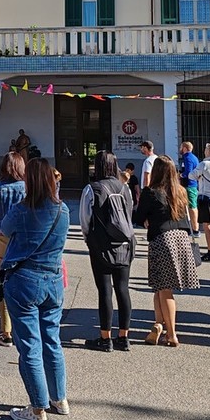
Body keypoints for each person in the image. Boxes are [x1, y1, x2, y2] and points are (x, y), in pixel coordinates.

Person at [0, 158, 71, 420]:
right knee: (52, 340)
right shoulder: (63, 210)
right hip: (53, 278)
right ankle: (59, 398)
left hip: (24, 279)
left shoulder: (21, 210)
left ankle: (38, 408)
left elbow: (3, 229)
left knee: (29, 345)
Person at [132, 155, 199, 348]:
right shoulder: (181, 191)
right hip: (181, 238)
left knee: (165, 289)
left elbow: (139, 217)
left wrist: (147, 219)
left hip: (162, 239)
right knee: (159, 286)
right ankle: (158, 324)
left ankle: (171, 334)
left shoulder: (151, 192)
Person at [79, 151, 135, 352]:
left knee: (105, 290)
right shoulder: (124, 188)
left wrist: (89, 239)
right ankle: (124, 336)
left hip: (101, 245)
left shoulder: (92, 189)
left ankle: (105, 338)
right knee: (123, 288)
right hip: (125, 244)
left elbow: (85, 220)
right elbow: (129, 213)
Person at [0, 152, 27, 347]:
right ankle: (23, 327)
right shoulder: (27, 188)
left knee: (4, 281)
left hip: (3, 238)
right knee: (24, 281)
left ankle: (6, 331)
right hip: (24, 239)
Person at [178, 141, 200, 234]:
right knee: (190, 206)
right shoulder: (193, 157)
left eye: (181, 147)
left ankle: (195, 229)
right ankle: (192, 227)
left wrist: (180, 175)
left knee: (192, 206)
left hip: (189, 185)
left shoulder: (188, 158)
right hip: (191, 184)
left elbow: (188, 172)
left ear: (184, 148)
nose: (180, 149)